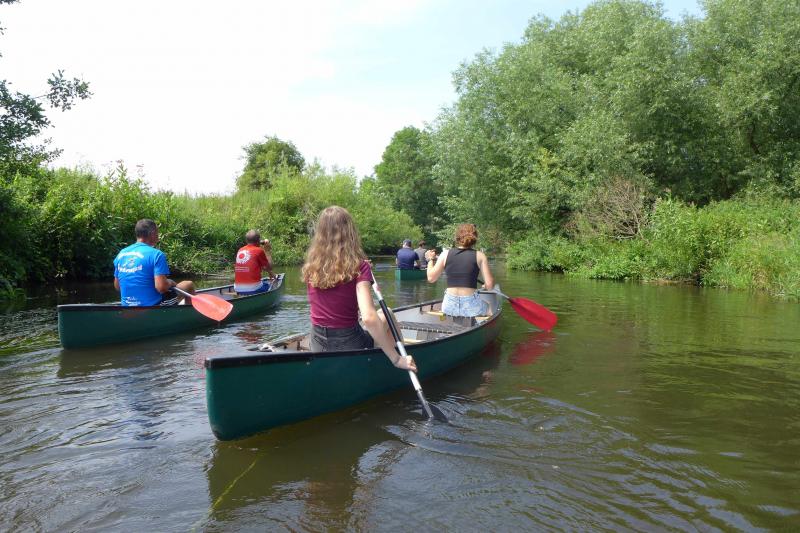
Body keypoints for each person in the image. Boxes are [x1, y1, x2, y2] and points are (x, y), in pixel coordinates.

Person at [302, 206, 417, 371]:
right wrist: (396, 359)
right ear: (350, 232)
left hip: (317, 342)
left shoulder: (311, 266)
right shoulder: (359, 267)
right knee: (388, 314)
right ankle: (397, 359)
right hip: (348, 343)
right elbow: (369, 318)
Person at [113, 218, 196, 306]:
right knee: (188, 285)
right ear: (152, 233)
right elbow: (161, 288)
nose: (158, 236)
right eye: (157, 232)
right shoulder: (157, 255)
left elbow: (118, 286)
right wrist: (170, 282)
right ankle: (188, 313)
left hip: (127, 306)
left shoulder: (122, 253)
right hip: (155, 306)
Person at [425, 223, 495, 317]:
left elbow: (431, 278)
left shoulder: (445, 254)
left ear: (457, 237)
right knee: (489, 306)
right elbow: (490, 286)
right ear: (474, 238)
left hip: (449, 306)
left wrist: (430, 259)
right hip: (471, 307)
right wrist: (486, 285)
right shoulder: (480, 255)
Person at [234, 230, 275, 295]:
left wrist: (270, 272)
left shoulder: (240, 250)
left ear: (246, 240)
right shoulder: (259, 251)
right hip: (253, 288)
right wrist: (267, 251)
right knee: (269, 285)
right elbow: (270, 267)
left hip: (237, 288)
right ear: (259, 240)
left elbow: (254, 265)